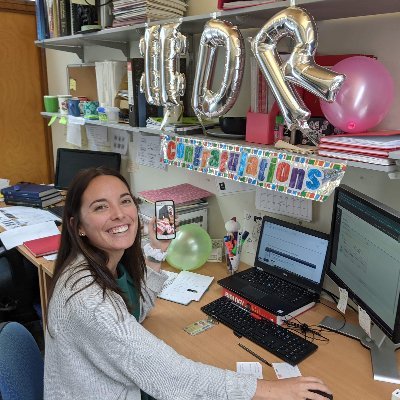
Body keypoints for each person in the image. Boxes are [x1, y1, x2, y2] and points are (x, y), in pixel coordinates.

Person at [44, 166, 332, 400]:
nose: (119, 214)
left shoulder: (102, 265)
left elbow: (136, 311)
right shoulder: (89, 301)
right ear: (77, 225)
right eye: (100, 207)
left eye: (125, 200)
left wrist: (157, 251)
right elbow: (168, 373)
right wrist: (270, 390)